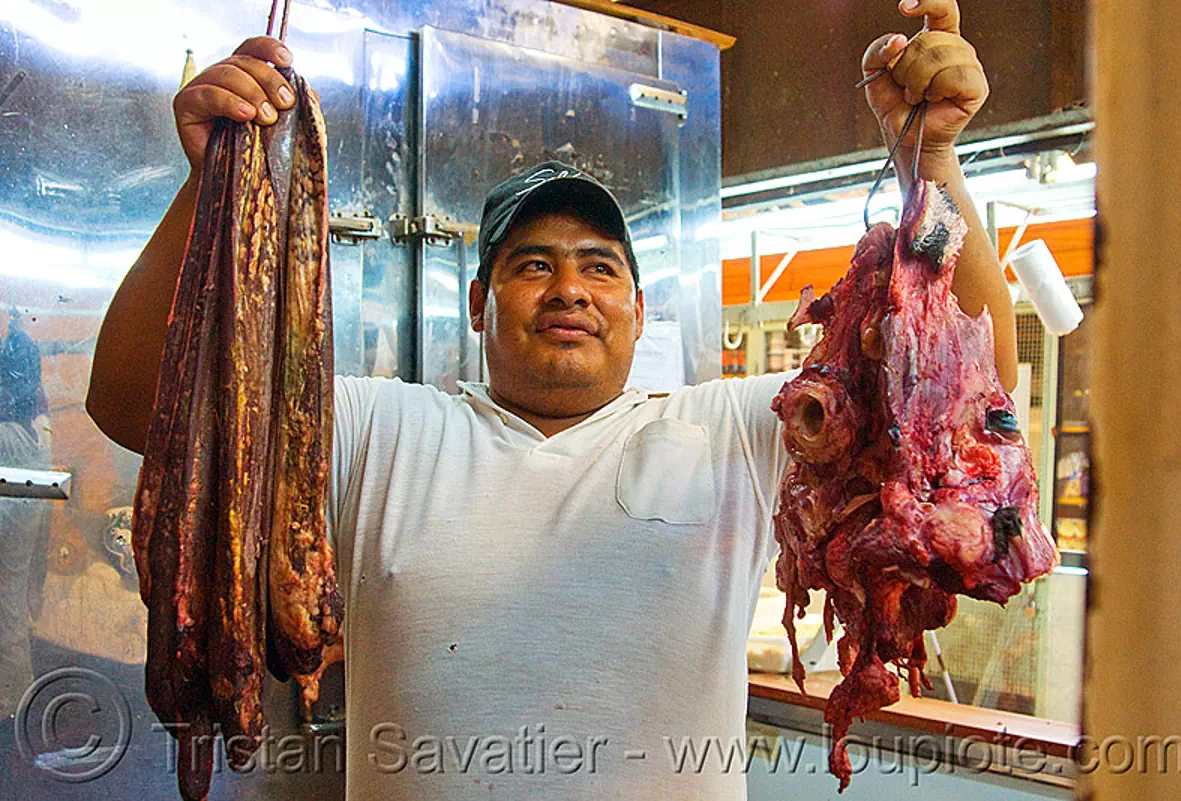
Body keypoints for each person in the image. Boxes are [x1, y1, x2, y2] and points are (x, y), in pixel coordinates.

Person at [87, 1, 1015, 798]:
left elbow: (967, 399)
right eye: (533, 265)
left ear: (639, 310)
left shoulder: (730, 431)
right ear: (479, 304)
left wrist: (931, 159)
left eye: (599, 267)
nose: (569, 288)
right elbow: (134, 404)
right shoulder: (383, 431)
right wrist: (210, 185)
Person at [0, 305, 52, 717]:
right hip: (32, 463)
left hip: (19, 461)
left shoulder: (20, 347)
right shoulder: (24, 345)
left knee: (10, 591)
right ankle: (13, 697)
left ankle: (11, 698)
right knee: (12, 590)